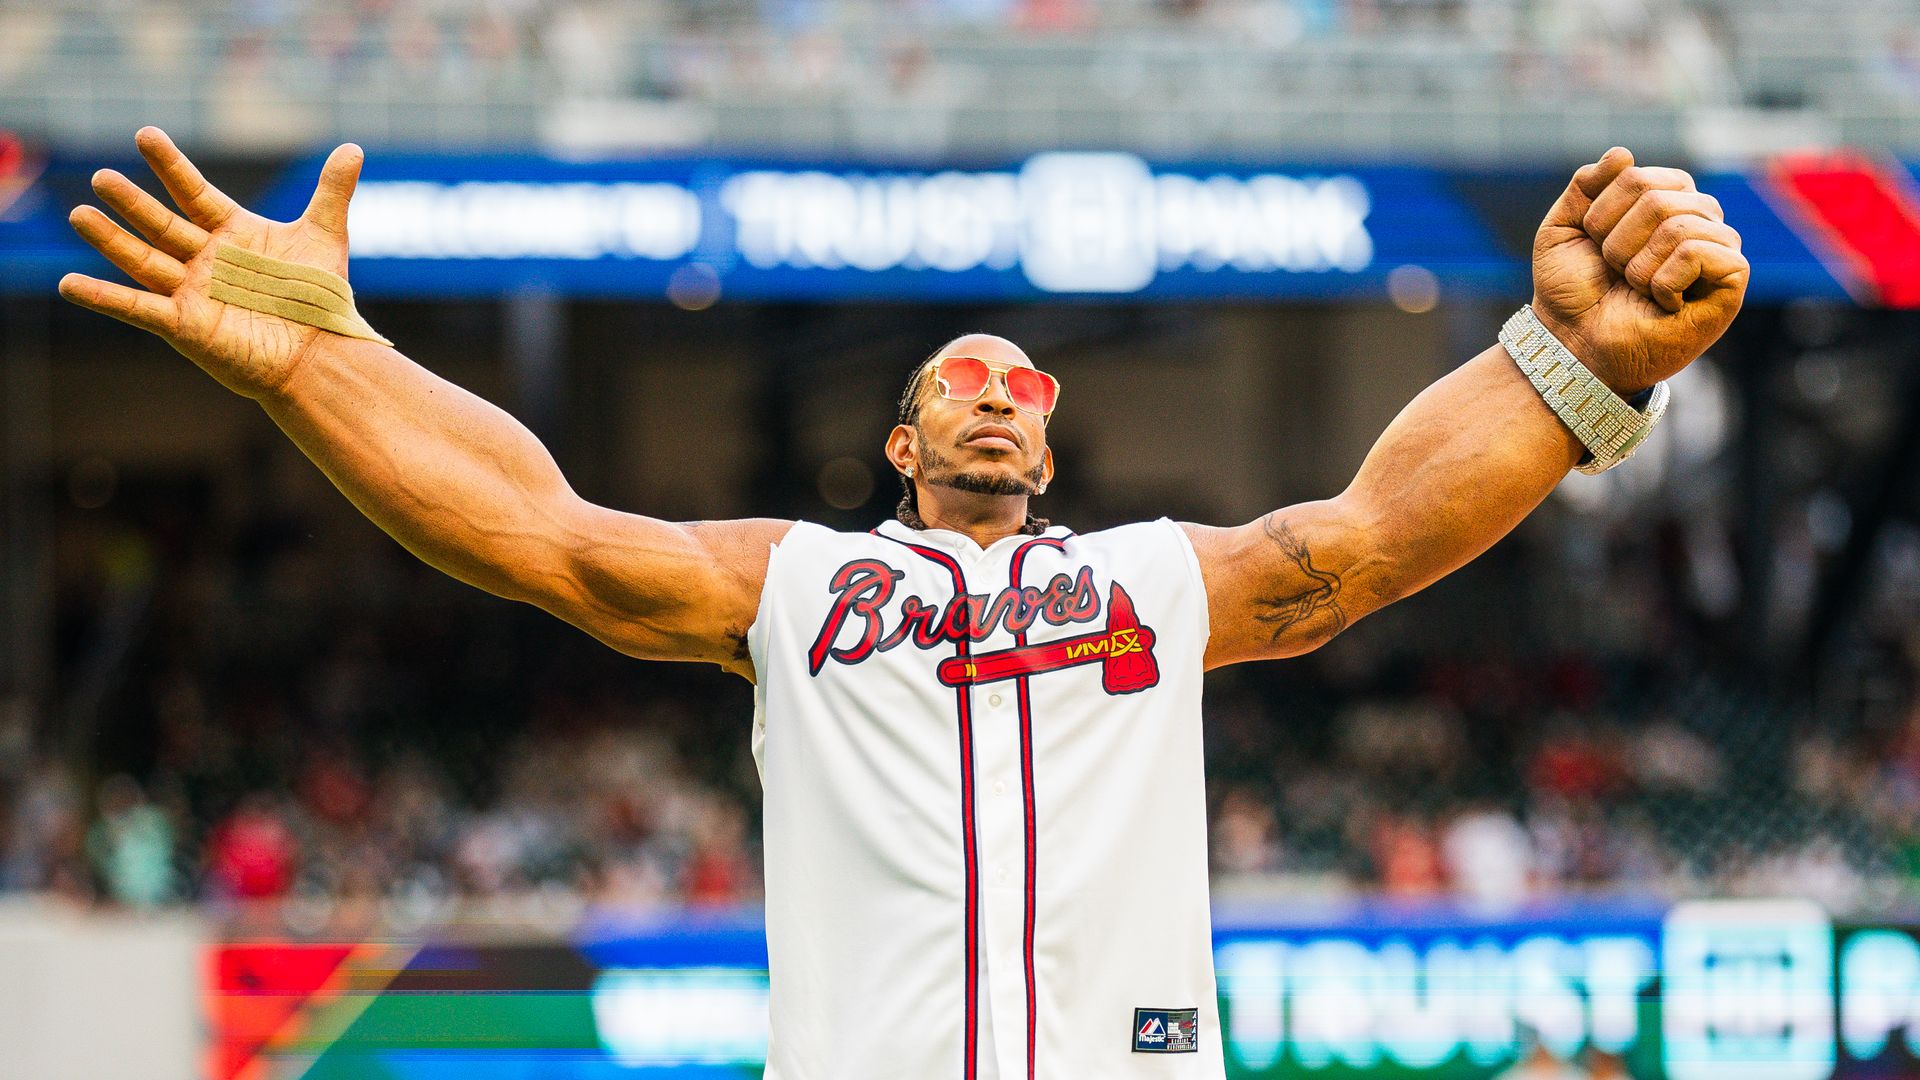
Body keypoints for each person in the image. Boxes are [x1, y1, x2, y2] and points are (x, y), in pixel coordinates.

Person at [58, 127, 1746, 1080]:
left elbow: (1364, 540)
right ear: (901, 442)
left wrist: (1572, 366)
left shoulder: (1143, 577)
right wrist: (323, 366)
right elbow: (547, 535)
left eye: (1026, 385)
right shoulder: (801, 580)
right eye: (961, 381)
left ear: (1051, 447)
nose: (1001, 395)